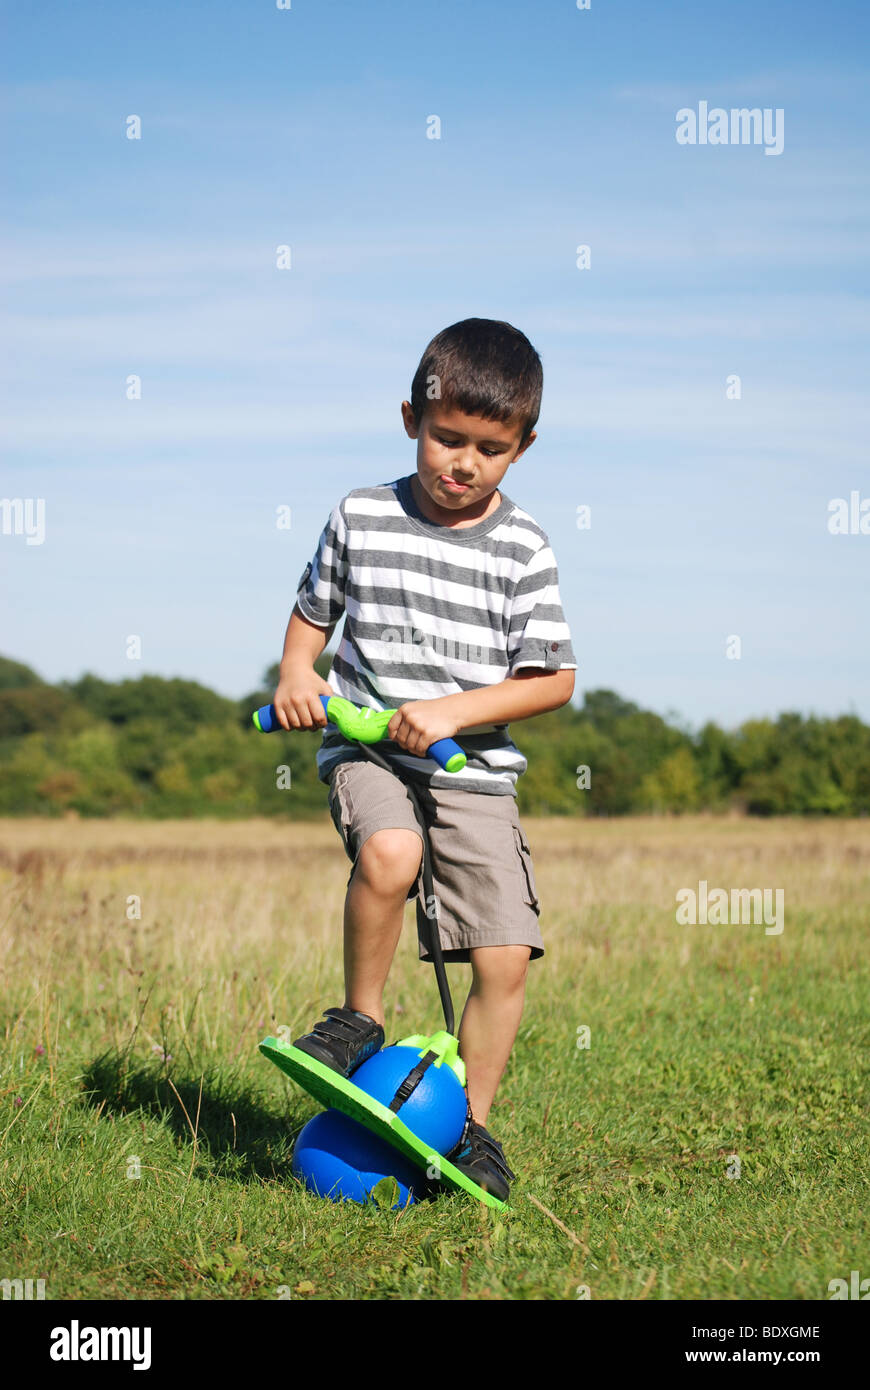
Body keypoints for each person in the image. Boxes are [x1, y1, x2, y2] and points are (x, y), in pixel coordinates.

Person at [271, 318, 576, 1200]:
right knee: (391, 854)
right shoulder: (360, 515)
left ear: (523, 446)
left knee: (505, 957)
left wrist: (452, 710)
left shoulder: (523, 546)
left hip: (472, 768)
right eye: (448, 437)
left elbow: (551, 680)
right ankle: (359, 1022)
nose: (463, 463)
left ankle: (470, 1125)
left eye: (491, 448)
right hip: (369, 749)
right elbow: (312, 616)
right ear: (412, 417)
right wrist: (297, 672)